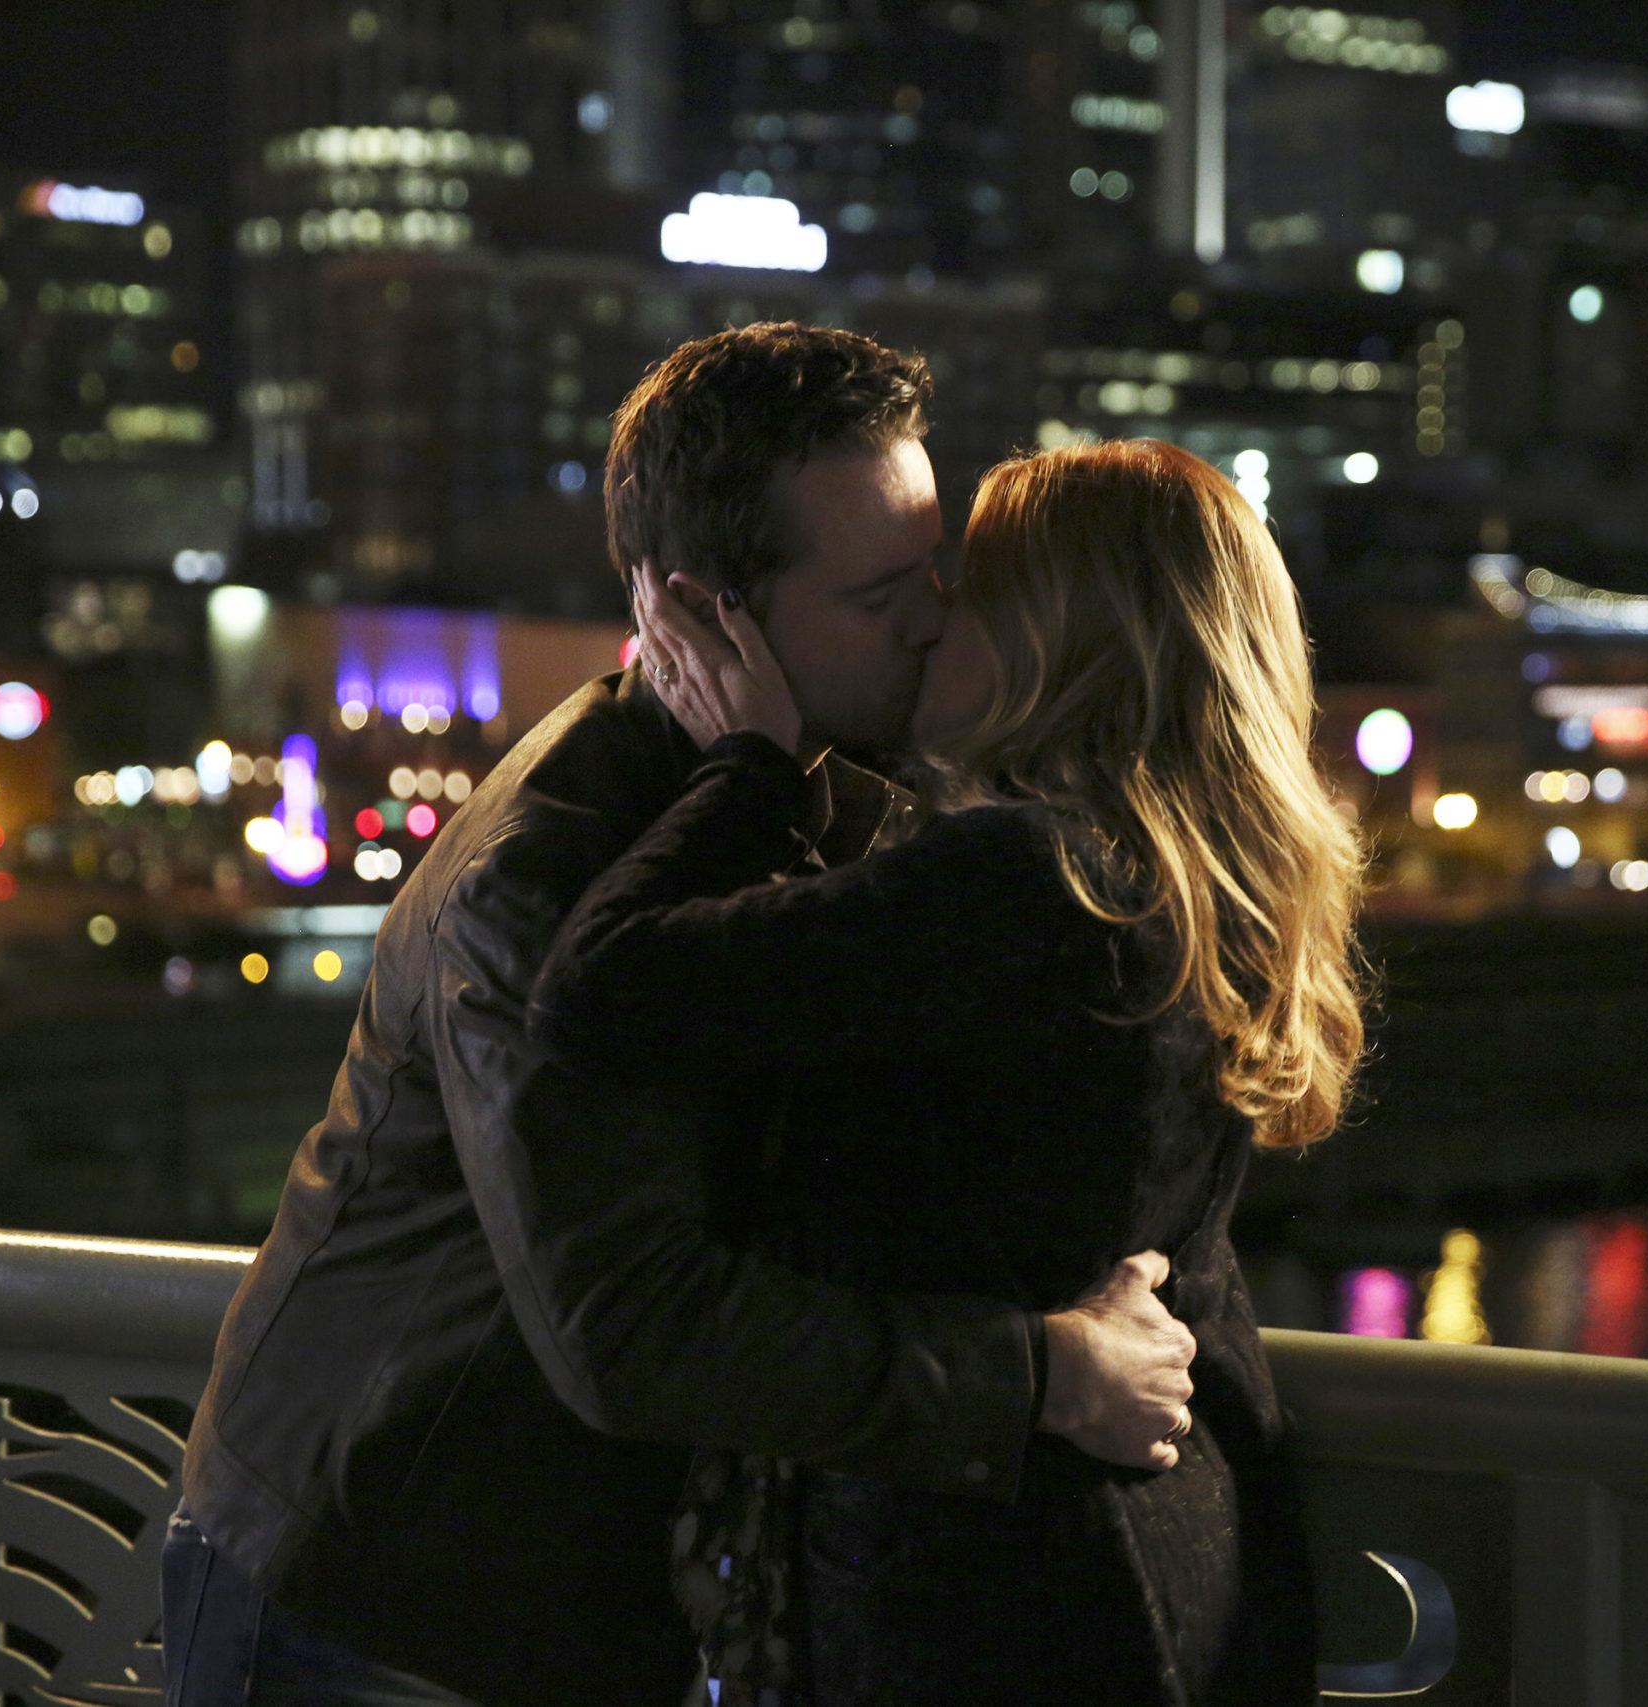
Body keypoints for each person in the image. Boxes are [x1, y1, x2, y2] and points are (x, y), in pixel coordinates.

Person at [168, 327, 1198, 1707]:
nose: (937, 618)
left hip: (533, 1583)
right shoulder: (545, 878)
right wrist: (1037, 1377)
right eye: (882, 590)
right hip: (380, 1592)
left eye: (937, 571)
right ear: (707, 613)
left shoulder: (792, 788)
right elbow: (631, 1322)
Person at [531, 437, 1369, 1705]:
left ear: (1056, 637)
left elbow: (601, 993)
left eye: (967, 590)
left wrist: (749, 764)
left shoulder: (1022, 883)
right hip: (1180, 1545)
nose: (930, 625)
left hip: (982, 1590)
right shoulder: (1192, 888)